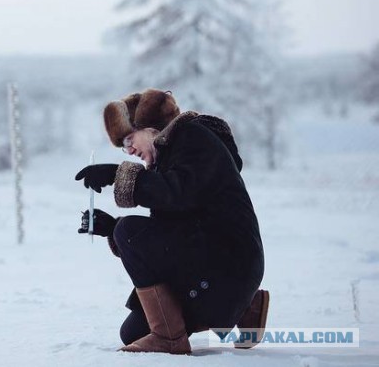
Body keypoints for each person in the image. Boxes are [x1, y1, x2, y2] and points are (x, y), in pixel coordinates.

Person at [75, 89, 269, 355]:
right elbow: (173, 229)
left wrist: (115, 174)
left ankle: (170, 337)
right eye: (123, 145)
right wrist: (112, 228)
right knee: (132, 333)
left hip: (229, 265)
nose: (128, 149)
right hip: (220, 267)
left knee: (129, 231)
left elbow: (176, 191)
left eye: (129, 139)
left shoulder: (193, 137)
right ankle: (246, 307)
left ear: (151, 127)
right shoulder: (169, 157)